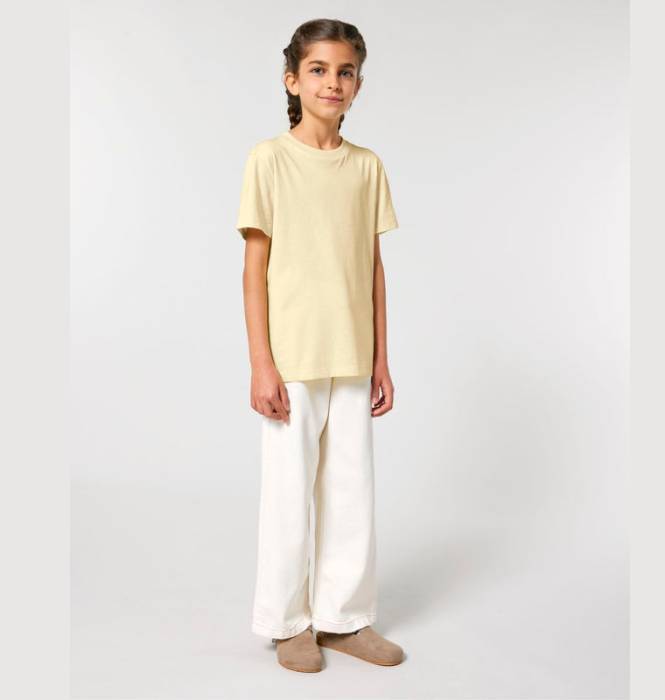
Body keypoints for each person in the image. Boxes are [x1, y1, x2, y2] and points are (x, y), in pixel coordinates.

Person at [236, 18, 405, 673]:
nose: (332, 82)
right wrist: (261, 363)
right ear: (292, 80)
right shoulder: (269, 160)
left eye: (345, 71)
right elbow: (254, 268)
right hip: (293, 358)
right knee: (288, 494)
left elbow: (372, 268)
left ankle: (343, 618)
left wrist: (381, 357)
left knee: (351, 492)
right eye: (318, 69)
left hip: (353, 354)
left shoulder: (367, 167)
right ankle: (287, 623)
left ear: (357, 84)